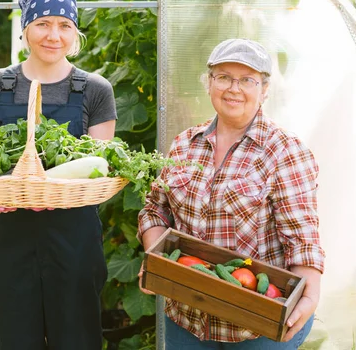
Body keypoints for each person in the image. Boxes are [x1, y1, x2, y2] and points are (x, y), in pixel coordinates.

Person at [137, 39, 325, 349]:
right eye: (223, 76)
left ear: (264, 90)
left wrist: (310, 297)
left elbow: (301, 239)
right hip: (187, 315)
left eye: (247, 80)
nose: (233, 88)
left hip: (255, 324)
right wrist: (155, 257)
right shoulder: (185, 144)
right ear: (209, 83)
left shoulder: (284, 152)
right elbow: (155, 210)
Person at [0, 0, 117, 350]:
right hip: (9, 232)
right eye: (43, 23)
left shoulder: (95, 90)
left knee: (77, 339)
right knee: (17, 337)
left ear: (75, 33)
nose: (54, 35)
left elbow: (97, 169)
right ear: (25, 28)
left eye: (65, 25)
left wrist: (49, 189)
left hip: (73, 237)